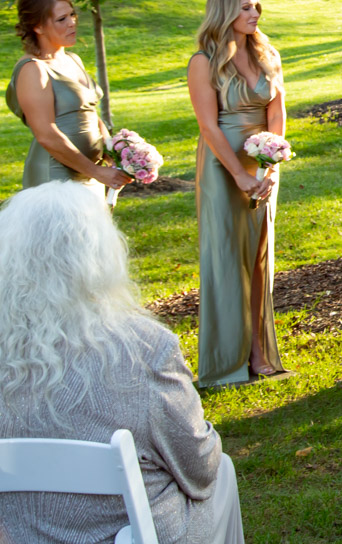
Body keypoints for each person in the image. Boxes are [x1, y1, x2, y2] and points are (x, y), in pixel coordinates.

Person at [0, 181, 245, 544]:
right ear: (100, 255)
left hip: (24, 535)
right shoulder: (144, 347)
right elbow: (200, 468)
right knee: (220, 468)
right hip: (128, 534)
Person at [188, 0, 288, 387]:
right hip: (223, 166)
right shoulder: (204, 61)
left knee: (260, 257)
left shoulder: (267, 53)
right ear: (226, 11)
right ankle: (229, 358)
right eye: (247, 7)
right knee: (228, 258)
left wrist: (270, 167)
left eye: (257, 6)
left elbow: (277, 112)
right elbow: (208, 126)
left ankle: (260, 351)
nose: (255, 14)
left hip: (263, 166)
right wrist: (239, 175)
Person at [5, 0, 130, 192]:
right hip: (55, 179)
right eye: (61, 19)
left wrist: (112, 150)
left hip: (88, 175)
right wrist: (96, 172)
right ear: (38, 27)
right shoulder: (33, 69)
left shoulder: (73, 59)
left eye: (72, 15)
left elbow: (89, 112)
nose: (72, 22)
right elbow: (46, 134)